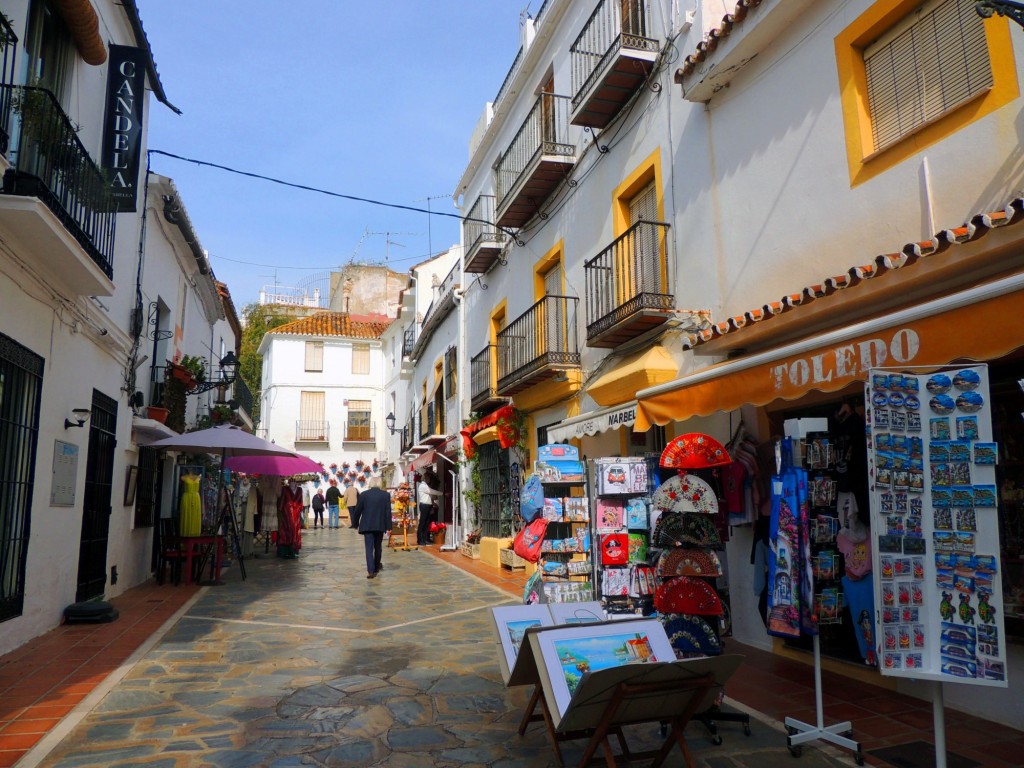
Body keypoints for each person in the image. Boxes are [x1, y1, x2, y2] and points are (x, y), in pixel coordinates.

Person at [351, 476, 392, 579]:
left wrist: (355, 523)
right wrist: (389, 526)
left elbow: (357, 511)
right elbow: (388, 512)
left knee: (369, 548)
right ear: (379, 484)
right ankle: (376, 566)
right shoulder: (385, 495)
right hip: (379, 525)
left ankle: (370, 571)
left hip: (367, 525)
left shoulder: (364, 495)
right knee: (378, 547)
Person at [416, 471, 442, 546]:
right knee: (422, 523)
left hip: (427, 505)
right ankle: (420, 539)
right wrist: (442, 493)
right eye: (429, 478)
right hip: (424, 505)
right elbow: (432, 492)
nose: (429, 480)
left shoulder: (426, 485)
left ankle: (425, 539)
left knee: (427, 523)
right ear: (426, 478)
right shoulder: (423, 486)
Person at [179, 470, 202, 537]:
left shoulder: (198, 477)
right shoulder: (183, 477)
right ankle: (185, 533)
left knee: (195, 515)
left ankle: (195, 533)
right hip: (187, 498)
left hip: (196, 498)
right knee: (186, 514)